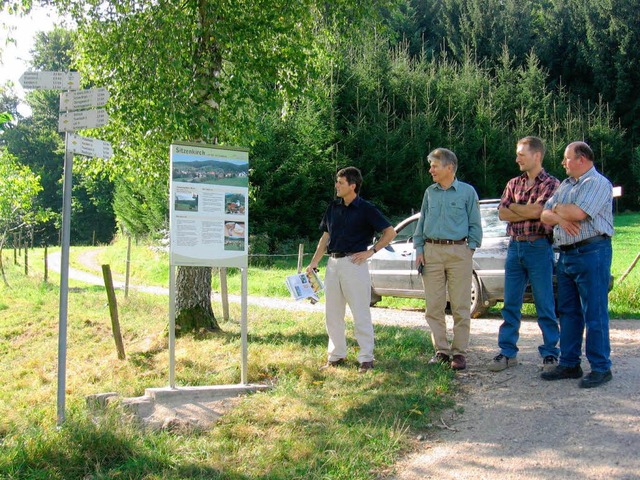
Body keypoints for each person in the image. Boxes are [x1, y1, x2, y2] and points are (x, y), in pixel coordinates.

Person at [307, 166, 396, 373]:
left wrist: (371, 251)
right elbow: (325, 237)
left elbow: (389, 232)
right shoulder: (333, 207)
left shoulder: (366, 209)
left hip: (355, 265)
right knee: (332, 314)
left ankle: (366, 358)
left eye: (340, 182)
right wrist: (314, 262)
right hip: (333, 264)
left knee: (360, 312)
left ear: (352, 186)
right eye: (336, 182)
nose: (336, 186)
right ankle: (336, 356)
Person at [540, 141, 614, 388]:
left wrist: (558, 211)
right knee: (568, 313)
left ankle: (601, 367)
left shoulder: (597, 183)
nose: (563, 163)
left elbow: (579, 213)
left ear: (582, 159)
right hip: (567, 255)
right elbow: (544, 214)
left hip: (592, 252)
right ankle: (570, 364)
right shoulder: (565, 185)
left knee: (594, 312)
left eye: (567, 158)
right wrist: (561, 215)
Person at [488, 137, 560, 372]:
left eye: (521, 154)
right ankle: (507, 352)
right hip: (514, 247)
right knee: (510, 303)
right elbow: (501, 213)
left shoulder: (551, 183)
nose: (516, 158)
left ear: (536, 156)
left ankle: (550, 353)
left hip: (539, 247)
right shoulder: (513, 183)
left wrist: (517, 209)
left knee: (544, 304)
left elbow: (540, 211)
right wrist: (526, 211)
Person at [413, 148, 483, 371]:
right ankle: (441, 351)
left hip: (458, 253)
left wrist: (468, 250)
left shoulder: (467, 192)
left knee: (461, 306)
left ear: (449, 167)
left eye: (434, 165)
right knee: (433, 306)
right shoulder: (429, 192)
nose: (430, 169)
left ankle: (459, 353)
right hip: (431, 252)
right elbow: (421, 222)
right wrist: (419, 249)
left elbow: (475, 225)